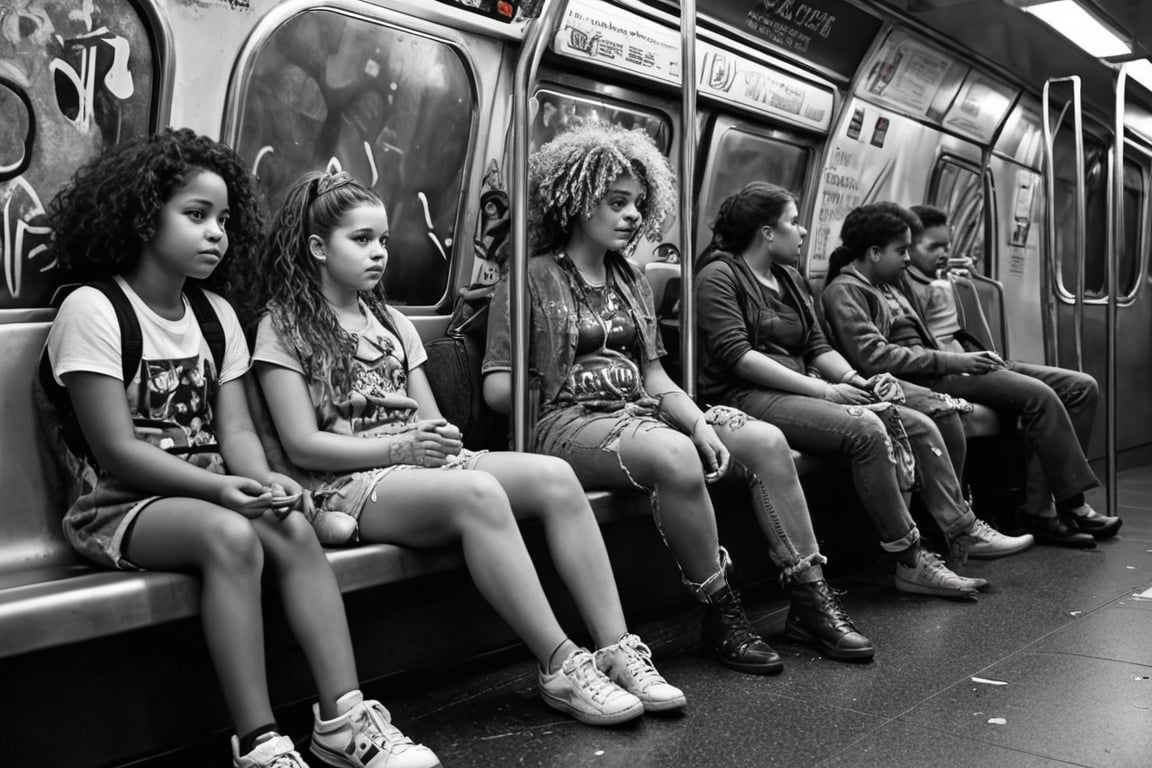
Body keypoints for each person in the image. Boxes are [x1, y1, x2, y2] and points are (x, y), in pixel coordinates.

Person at [37, 129, 438, 768]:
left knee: (289, 524)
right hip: (122, 503)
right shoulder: (96, 310)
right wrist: (224, 489)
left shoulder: (216, 315)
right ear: (143, 218)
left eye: (223, 219)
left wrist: (262, 482)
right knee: (232, 536)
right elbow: (114, 449)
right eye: (195, 216)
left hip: (210, 487)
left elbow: (237, 435)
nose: (216, 233)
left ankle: (343, 720)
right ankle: (258, 740)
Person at [240, 170, 682, 728]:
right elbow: (304, 445)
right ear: (316, 248)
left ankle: (616, 647)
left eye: (382, 240)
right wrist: (404, 446)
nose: (378, 253)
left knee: (554, 477)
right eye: (361, 240)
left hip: (414, 461)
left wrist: (439, 437)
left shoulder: (391, 321)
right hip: (351, 479)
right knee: (478, 493)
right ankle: (561, 663)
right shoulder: (282, 327)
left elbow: (430, 418)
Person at [483, 123, 875, 669]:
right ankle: (721, 610)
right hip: (564, 421)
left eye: (637, 204)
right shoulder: (528, 278)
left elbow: (656, 378)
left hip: (639, 413)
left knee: (763, 440)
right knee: (674, 454)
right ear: (574, 201)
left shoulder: (631, 281)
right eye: (616, 202)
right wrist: (545, 377)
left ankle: (810, 598)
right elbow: (498, 389)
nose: (632, 216)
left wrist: (699, 423)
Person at [695, 183, 1031, 600]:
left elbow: (817, 347)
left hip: (801, 387)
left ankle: (961, 529)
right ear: (767, 233)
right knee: (867, 430)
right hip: (745, 396)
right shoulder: (720, 276)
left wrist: (857, 381)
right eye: (795, 223)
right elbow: (738, 356)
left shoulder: (789, 278)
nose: (802, 233)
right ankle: (909, 560)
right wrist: (827, 393)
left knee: (918, 423)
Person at [822, 202, 1118, 549]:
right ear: (873, 253)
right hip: (926, 376)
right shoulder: (846, 291)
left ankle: (1053, 503)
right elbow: (874, 356)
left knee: (1080, 387)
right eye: (901, 250)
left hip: (947, 362)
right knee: (1038, 396)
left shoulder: (893, 281)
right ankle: (1053, 509)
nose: (907, 258)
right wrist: (953, 361)